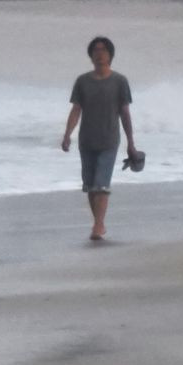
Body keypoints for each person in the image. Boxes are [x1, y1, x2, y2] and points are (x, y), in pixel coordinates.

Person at [59, 36, 143, 243]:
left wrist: (131, 143)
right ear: (90, 55)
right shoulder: (82, 81)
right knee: (90, 185)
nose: (99, 53)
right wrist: (67, 134)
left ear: (110, 55)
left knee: (101, 184)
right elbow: (76, 109)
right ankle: (98, 222)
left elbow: (125, 113)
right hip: (87, 140)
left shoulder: (119, 81)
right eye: (95, 50)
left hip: (109, 140)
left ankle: (98, 224)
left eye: (103, 50)